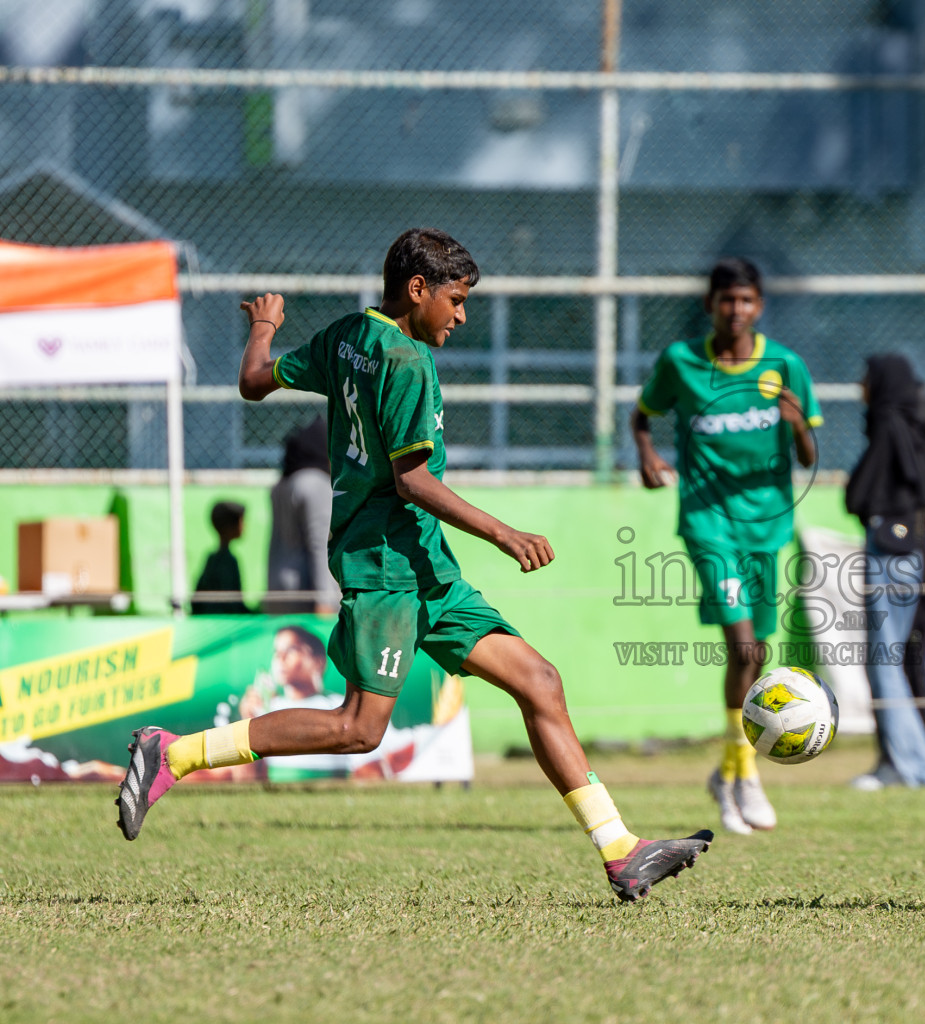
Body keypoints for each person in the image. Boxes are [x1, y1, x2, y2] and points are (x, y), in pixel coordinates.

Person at [117, 228, 712, 902]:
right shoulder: (406, 362)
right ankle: (174, 753)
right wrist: (502, 532)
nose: (461, 316)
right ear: (418, 289)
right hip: (385, 567)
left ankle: (620, 851)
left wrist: (264, 327)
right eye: (456, 300)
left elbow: (256, 381)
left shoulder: (346, 336)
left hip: (425, 565)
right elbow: (412, 480)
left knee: (540, 681)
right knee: (358, 728)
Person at [631, 257, 822, 836]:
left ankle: (728, 773)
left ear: (759, 306)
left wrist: (795, 426)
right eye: (726, 300)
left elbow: (811, 456)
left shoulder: (785, 365)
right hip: (708, 521)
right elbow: (642, 415)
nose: (735, 310)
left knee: (755, 653)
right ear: (710, 305)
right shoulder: (681, 362)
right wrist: (646, 454)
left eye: (746, 300)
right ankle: (746, 775)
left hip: (767, 526)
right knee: (743, 648)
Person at [844, 354, 925, 790]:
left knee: (885, 665)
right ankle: (907, 763)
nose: (860, 387)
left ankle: (920, 766)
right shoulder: (923, 429)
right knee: (905, 665)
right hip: (918, 554)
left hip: (891, 556)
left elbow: (859, 495)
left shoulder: (890, 425)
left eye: (865, 378)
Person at [265, 416, 339, 614]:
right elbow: (319, 543)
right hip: (307, 595)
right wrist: (325, 598)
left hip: (279, 590)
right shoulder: (315, 484)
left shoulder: (283, 484)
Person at [190, 501, 251, 615]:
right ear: (229, 526)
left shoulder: (213, 559)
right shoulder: (227, 562)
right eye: (241, 521)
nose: (244, 526)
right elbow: (233, 605)